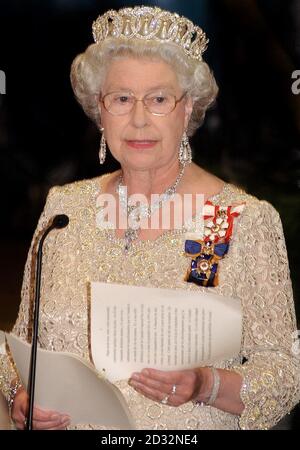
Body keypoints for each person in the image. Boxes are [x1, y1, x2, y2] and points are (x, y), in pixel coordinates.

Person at [0, 5, 299, 430]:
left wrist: (204, 384)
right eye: (121, 99)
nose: (138, 119)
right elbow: (19, 349)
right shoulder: (63, 210)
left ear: (187, 108)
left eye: (158, 99)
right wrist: (20, 395)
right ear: (99, 110)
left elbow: (285, 375)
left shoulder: (238, 220)